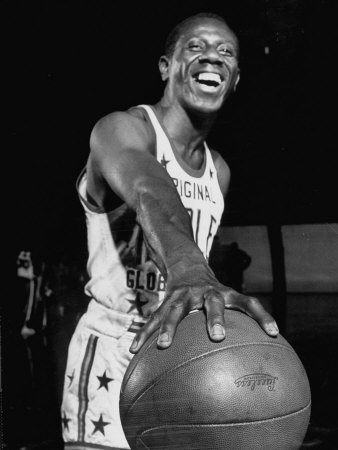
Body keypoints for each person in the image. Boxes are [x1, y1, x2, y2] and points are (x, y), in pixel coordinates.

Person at [61, 12, 279, 450]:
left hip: (179, 353)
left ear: (235, 79)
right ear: (166, 66)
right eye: (195, 47)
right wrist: (191, 271)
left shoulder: (218, 171)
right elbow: (148, 189)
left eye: (226, 52)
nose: (212, 56)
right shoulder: (121, 129)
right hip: (114, 347)